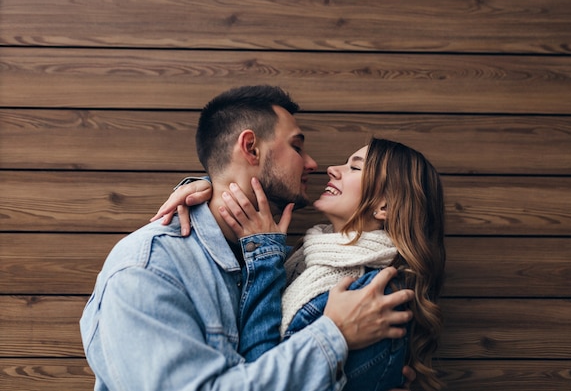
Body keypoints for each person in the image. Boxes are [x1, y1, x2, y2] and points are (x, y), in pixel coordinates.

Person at [79, 85, 415, 391]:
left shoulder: (281, 260)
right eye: (297, 146)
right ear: (251, 148)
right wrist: (333, 336)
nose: (315, 164)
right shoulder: (147, 269)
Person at [154, 138, 446, 391]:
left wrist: (266, 260)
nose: (333, 169)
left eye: (355, 167)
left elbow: (261, 371)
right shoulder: (308, 261)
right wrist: (207, 189)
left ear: (384, 206)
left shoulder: (372, 296)